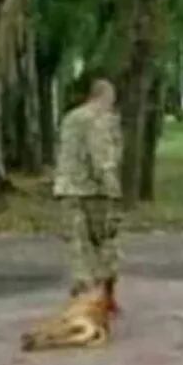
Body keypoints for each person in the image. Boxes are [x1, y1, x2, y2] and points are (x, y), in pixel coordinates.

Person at [53, 78, 123, 314]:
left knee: (77, 245)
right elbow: (100, 156)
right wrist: (112, 188)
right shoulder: (98, 119)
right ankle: (100, 298)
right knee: (104, 242)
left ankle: (84, 293)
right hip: (94, 191)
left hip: (67, 188)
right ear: (105, 96)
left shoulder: (70, 118)